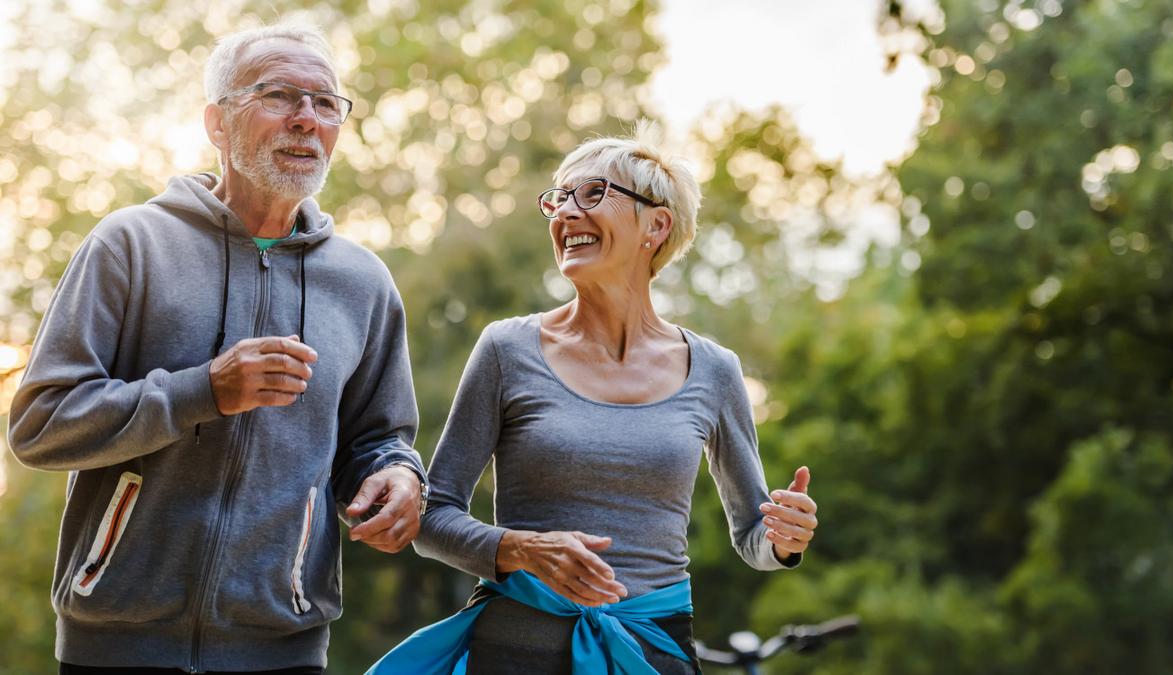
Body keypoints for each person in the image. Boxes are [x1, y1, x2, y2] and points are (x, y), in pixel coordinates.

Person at [7, 23, 428, 674]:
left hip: (285, 649)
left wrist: (397, 476)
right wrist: (203, 391)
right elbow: (39, 426)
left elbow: (379, 439)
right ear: (217, 123)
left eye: (325, 103)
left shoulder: (363, 282)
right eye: (279, 95)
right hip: (116, 646)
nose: (306, 119)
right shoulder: (131, 245)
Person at [367, 126, 819, 674]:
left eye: (593, 195)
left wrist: (783, 539)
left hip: (653, 654)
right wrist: (525, 549)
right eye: (558, 200)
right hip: (515, 653)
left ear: (657, 224)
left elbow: (753, 539)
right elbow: (433, 519)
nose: (565, 214)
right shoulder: (507, 349)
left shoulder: (716, 371)